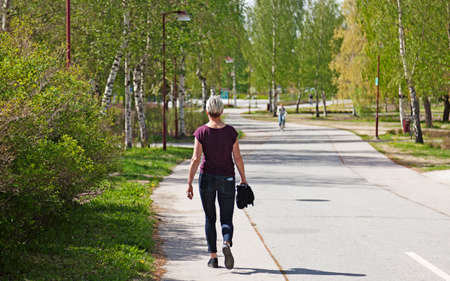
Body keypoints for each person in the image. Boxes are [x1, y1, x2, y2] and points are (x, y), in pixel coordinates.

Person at [187, 95, 248, 270]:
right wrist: (243, 178)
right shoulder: (231, 132)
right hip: (227, 178)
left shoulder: (201, 132)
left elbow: (195, 158)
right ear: (221, 111)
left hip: (207, 178)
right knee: (226, 217)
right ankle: (226, 243)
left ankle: (213, 258)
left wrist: (189, 182)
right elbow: (237, 157)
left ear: (207, 111)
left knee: (210, 217)